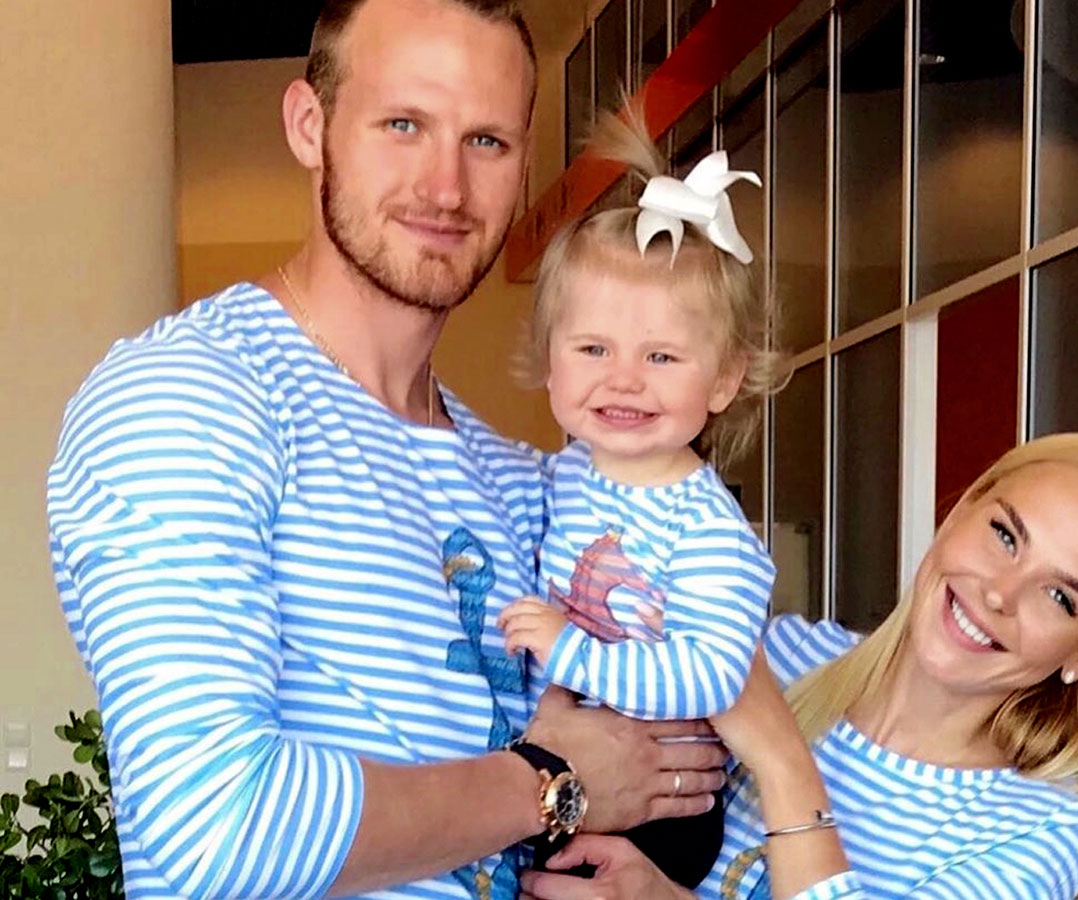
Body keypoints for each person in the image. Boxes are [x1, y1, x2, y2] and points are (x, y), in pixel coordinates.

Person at [44, 2, 727, 898]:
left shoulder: (529, 485)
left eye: (486, 141)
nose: (445, 188)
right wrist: (551, 784)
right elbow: (215, 832)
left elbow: (727, 672)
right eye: (404, 124)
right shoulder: (192, 397)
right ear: (309, 125)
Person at [517, 433, 1078, 900]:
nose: (999, 592)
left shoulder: (1045, 830)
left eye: (1060, 597)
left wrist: (781, 760)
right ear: (959, 512)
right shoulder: (777, 653)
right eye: (1004, 534)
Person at [496, 113, 786, 887]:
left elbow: (712, 677)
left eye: (661, 356)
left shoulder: (710, 530)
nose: (622, 379)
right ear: (550, 362)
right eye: (593, 348)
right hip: (562, 776)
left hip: (662, 810)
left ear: (724, 379)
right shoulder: (561, 478)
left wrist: (570, 650)